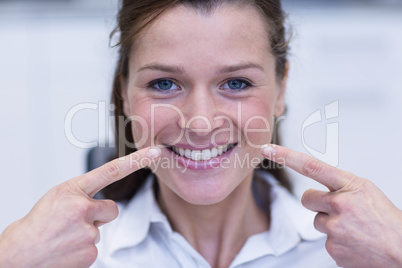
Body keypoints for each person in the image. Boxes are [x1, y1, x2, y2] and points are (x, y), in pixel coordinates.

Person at [0, 0, 401, 267]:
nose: (201, 122)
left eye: (237, 83)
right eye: (164, 84)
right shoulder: (66, 258)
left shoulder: (352, 255)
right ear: (123, 93)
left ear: (281, 90)